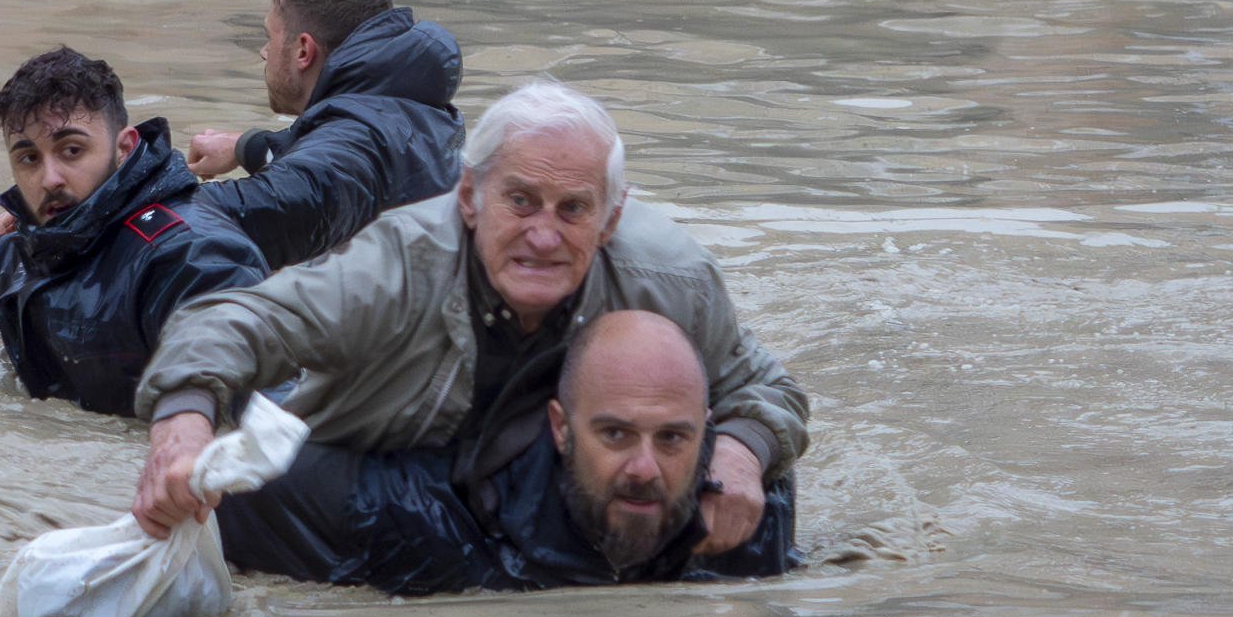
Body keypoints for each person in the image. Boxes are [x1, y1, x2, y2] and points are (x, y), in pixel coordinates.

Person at [128, 78, 807, 561]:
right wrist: (182, 426)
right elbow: (232, 321)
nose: (543, 235)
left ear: (612, 219)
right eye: (521, 200)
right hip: (387, 464)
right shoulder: (395, 267)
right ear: (469, 197)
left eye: (572, 209)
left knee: (765, 497)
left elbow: (767, 391)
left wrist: (743, 454)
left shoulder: (673, 280)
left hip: (537, 474)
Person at [214, 310, 792, 594]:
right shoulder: (420, 514)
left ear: (705, 430)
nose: (645, 468)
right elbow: (235, 489)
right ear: (562, 428)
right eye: (614, 435)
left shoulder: (744, 517)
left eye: (672, 438)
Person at [0, 47, 265, 419]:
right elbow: (5, 263)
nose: (49, 178)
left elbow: (242, 365)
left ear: (124, 148)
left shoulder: (189, 253)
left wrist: (186, 424)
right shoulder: (60, 235)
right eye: (28, 158)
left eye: (71, 150)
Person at [177, 0, 465, 269]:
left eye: (269, 38)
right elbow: (338, 162)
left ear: (303, 50)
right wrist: (246, 146)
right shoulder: (414, 108)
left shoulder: (352, 148)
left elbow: (297, 194)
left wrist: (133, 196)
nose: (264, 53)